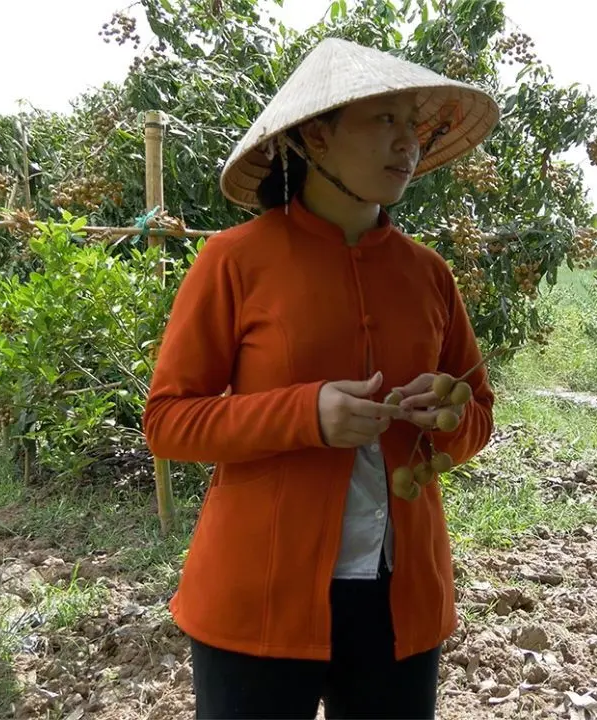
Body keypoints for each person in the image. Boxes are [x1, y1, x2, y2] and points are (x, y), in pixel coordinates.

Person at [142, 37, 500, 719]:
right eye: (383, 121)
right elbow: (168, 421)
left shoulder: (428, 275)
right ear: (316, 136)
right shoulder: (234, 261)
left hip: (400, 599)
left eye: (412, 125)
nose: (408, 143)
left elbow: (477, 410)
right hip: (258, 599)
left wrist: (445, 418)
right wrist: (306, 415)